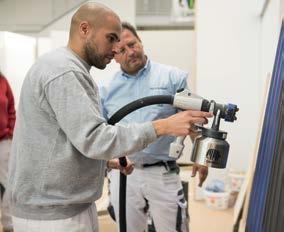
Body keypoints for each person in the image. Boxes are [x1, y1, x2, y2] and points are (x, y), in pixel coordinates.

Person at [7, 3, 212, 232]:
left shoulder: (171, 77)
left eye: (128, 43)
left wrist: (104, 161)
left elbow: (73, 137)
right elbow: (95, 137)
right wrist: (162, 126)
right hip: (55, 213)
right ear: (84, 29)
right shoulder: (70, 74)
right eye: (113, 40)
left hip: (154, 172)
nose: (118, 49)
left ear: (141, 41)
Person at [100, 22, 209, 232]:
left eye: (133, 44)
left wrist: (202, 157)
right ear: (113, 56)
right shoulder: (105, 90)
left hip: (162, 172)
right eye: (122, 50)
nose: (130, 52)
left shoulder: (172, 78)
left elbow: (194, 120)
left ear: (140, 41)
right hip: (124, 174)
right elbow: (101, 134)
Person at [0, 71, 15, 232]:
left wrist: (10, 129)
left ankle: (9, 225)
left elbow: (11, 106)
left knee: (8, 184)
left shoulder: (3, 80)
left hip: (3, 141)